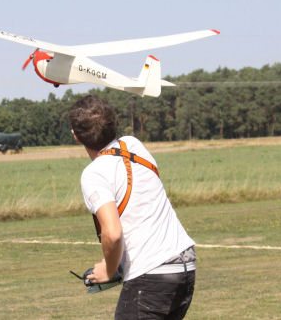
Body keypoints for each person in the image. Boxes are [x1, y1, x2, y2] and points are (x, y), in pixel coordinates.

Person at [69, 95, 196, 319]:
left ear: (76, 136)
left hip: (152, 274)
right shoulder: (133, 144)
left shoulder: (94, 174)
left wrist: (108, 270)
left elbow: (113, 233)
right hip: (184, 266)